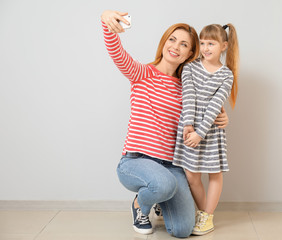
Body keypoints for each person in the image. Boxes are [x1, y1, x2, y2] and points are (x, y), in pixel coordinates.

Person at [100, 10, 229, 238]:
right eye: (172, 40)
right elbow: (117, 53)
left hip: (172, 165)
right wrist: (106, 19)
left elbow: (205, 111)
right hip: (136, 161)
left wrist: (222, 118)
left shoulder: (188, 86)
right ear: (164, 42)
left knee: (182, 230)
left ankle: (159, 195)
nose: (175, 47)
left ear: (190, 53)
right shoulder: (141, 74)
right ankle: (141, 205)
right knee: (164, 184)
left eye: (183, 44)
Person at [173, 23, 239, 235]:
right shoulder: (190, 67)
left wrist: (201, 132)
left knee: (214, 173)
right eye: (202, 43)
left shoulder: (227, 75)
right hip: (190, 126)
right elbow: (189, 96)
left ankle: (207, 217)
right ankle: (204, 213)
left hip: (210, 130)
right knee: (192, 175)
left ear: (224, 46)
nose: (206, 48)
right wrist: (189, 125)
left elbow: (215, 105)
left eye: (211, 43)